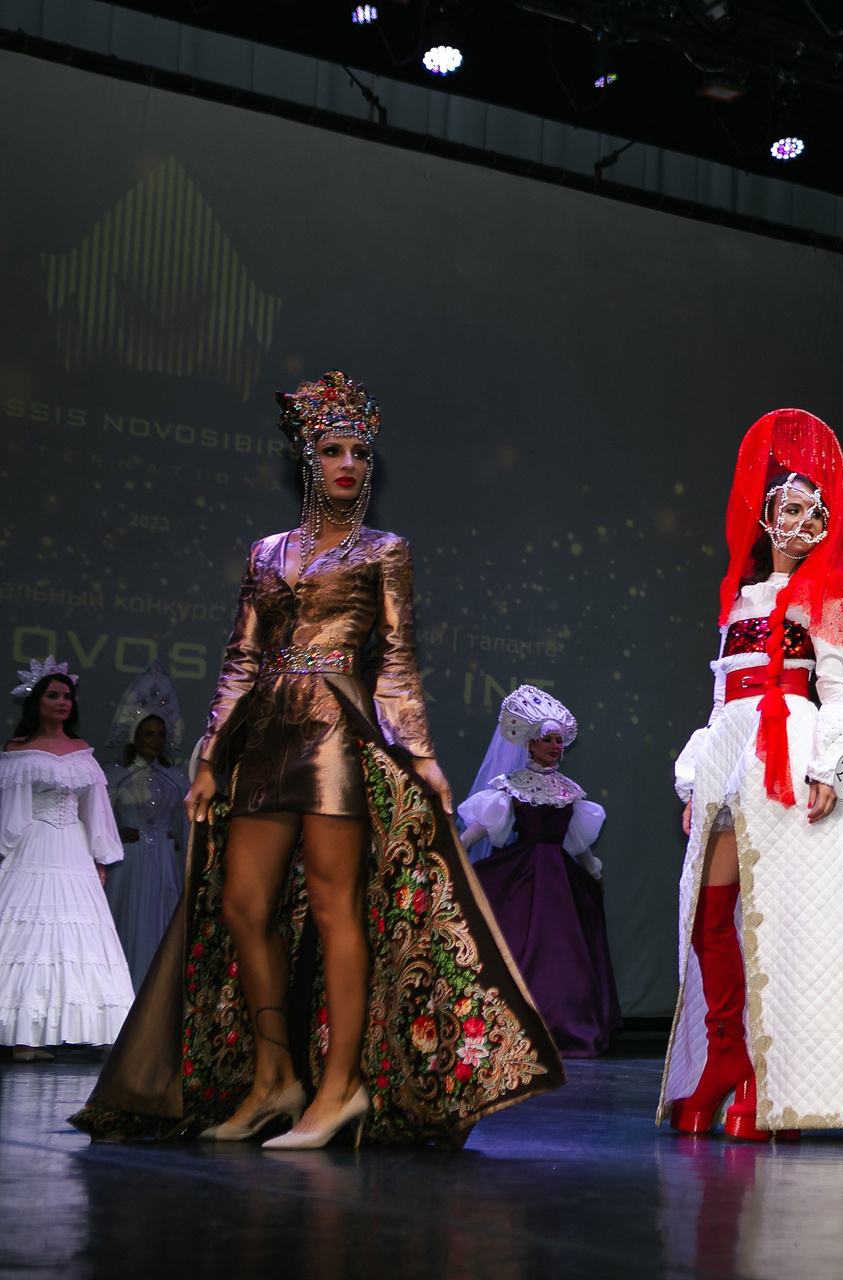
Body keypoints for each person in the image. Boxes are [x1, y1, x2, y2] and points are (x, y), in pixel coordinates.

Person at [71, 370, 562, 1147]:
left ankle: (341, 1089)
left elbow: (395, 659)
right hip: (266, 733)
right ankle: (276, 1079)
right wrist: (210, 753)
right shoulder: (266, 553)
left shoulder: (385, 551)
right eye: (333, 451)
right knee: (243, 907)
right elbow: (241, 657)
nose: (348, 465)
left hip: (336, 728)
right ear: (310, 459)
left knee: (337, 907)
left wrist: (422, 756)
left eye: (360, 454)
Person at [660, 408, 843, 1140]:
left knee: (781, 918)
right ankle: (727, 1056)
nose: (802, 523)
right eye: (791, 509)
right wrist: (697, 776)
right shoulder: (737, 600)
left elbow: (835, 694)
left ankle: (774, 1082)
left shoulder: (824, 599)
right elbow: (720, 702)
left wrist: (831, 765)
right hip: (732, 755)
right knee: (710, 915)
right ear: (768, 516)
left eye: (815, 514)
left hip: (790, 754)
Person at [458, 685, 621, 1058]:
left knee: (563, 953)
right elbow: (480, 829)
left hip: (560, 882)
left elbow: (577, 842)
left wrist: (593, 873)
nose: (554, 746)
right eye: (547, 739)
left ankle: (563, 1025)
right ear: (529, 744)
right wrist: (457, 853)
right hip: (523, 878)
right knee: (521, 946)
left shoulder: (569, 791)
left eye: (559, 741)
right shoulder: (514, 786)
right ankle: (515, 1026)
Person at [0, 662, 135, 1060]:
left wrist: (100, 857)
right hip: (32, 847)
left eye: (67, 696)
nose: (62, 701)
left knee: (81, 935)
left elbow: (95, 810)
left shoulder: (82, 752)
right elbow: (10, 810)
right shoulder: (18, 749)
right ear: (37, 702)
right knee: (30, 935)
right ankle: (25, 1038)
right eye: (53, 695)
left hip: (74, 850)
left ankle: (100, 1029)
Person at [101, 662, 189, 990]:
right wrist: (114, 835)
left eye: (161, 734)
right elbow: (97, 819)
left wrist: (176, 839)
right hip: (129, 861)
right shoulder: (116, 776)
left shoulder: (176, 778)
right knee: (127, 920)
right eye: (149, 734)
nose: (156, 740)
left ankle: (155, 998)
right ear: (135, 736)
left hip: (163, 860)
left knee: (160, 923)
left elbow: (187, 821)